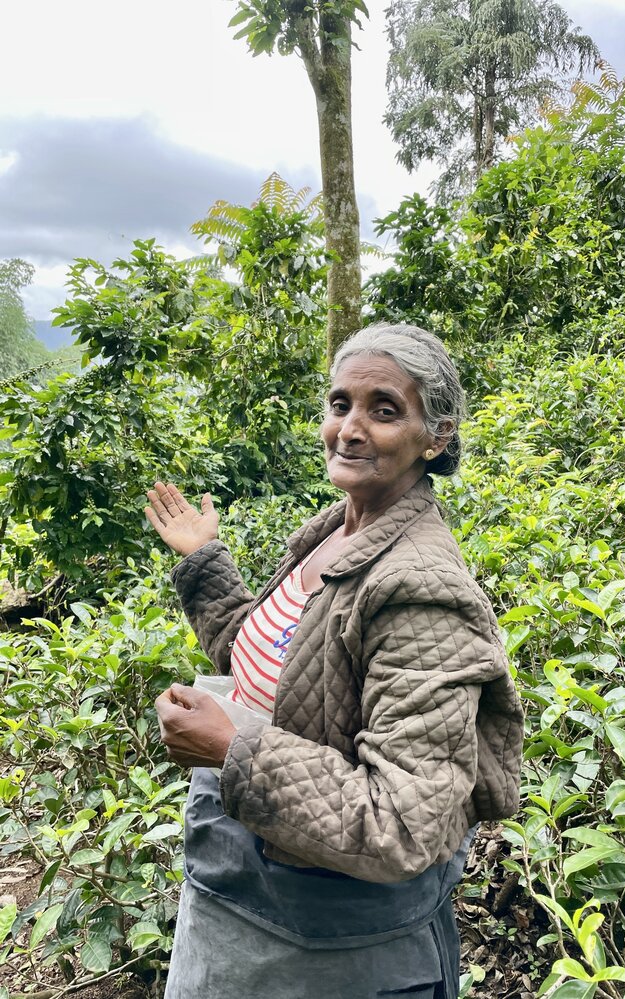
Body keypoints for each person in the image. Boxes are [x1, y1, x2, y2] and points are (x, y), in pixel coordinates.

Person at [146, 323, 523, 999]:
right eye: (339, 403)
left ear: (434, 436)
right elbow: (276, 665)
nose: (349, 427)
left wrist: (234, 748)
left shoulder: (419, 589)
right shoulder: (335, 530)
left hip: (328, 942)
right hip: (259, 896)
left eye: (384, 409)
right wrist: (202, 561)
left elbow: (404, 822)